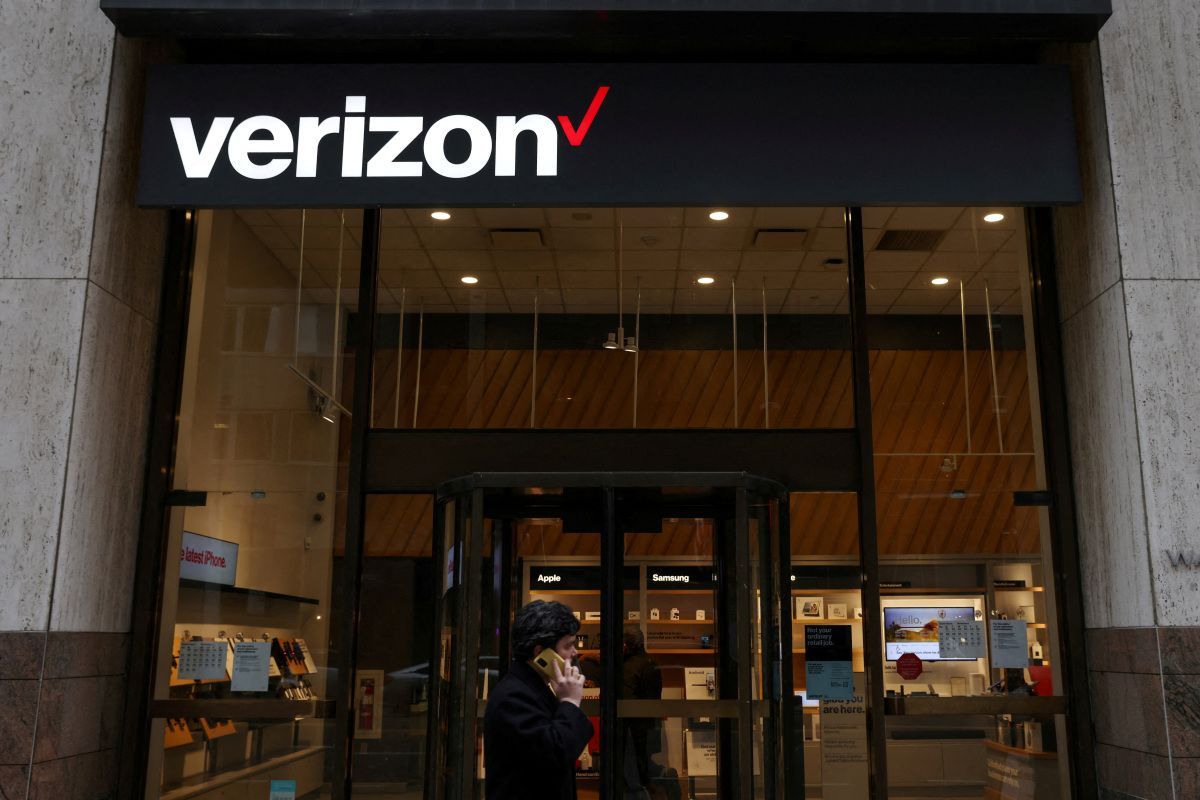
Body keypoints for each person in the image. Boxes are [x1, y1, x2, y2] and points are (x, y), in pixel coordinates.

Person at [484, 600, 594, 800]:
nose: (575, 652)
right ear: (540, 652)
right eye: (568, 645)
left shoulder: (533, 687)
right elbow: (555, 754)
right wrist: (569, 702)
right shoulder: (513, 696)